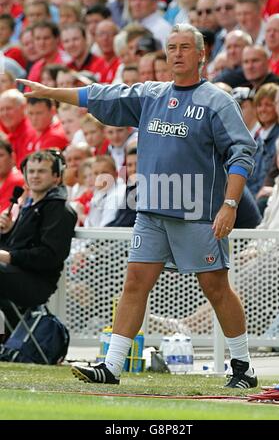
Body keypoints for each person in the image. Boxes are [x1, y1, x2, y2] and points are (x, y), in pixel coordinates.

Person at [18, 23, 258, 389]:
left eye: (184, 47)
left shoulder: (217, 101)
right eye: (171, 47)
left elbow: (242, 153)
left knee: (215, 286)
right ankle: (112, 366)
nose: (176, 53)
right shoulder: (151, 95)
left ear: (201, 54)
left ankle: (243, 365)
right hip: (151, 211)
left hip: (199, 213)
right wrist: (52, 92)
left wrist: (229, 204)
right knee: (134, 284)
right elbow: (101, 96)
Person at [0, 150, 77, 331]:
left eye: (41, 171)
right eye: (31, 171)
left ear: (57, 176)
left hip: (36, 282)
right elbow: (18, 246)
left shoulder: (60, 210)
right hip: (16, 273)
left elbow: (50, 256)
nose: (34, 176)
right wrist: (7, 233)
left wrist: (9, 257)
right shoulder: (29, 205)